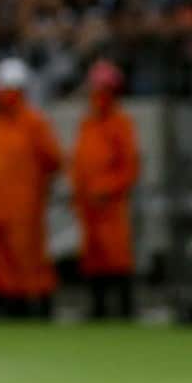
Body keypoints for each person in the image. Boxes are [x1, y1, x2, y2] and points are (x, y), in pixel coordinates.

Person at [0, 57, 62, 317]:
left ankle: (36, 306)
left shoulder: (33, 123)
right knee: (4, 261)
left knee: (29, 259)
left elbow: (53, 159)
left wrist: (35, 188)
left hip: (24, 206)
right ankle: (12, 306)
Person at [70, 59, 140, 319]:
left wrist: (107, 188)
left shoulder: (120, 124)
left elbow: (129, 167)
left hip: (111, 204)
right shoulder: (88, 124)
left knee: (117, 255)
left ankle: (124, 309)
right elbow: (80, 162)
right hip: (89, 204)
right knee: (93, 257)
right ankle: (98, 309)